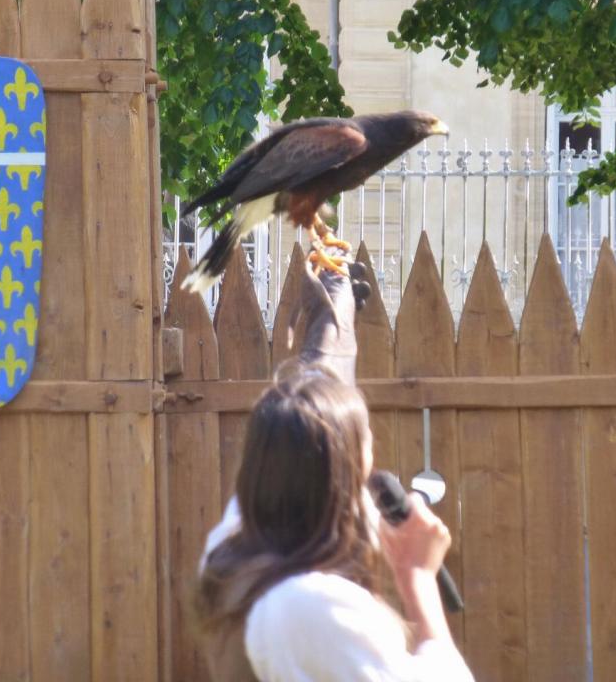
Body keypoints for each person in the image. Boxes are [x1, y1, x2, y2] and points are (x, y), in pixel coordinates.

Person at [195, 259, 473, 681]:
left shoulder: (229, 555)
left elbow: (301, 432)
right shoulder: (312, 605)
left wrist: (332, 323)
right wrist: (418, 579)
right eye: (363, 459)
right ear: (343, 478)